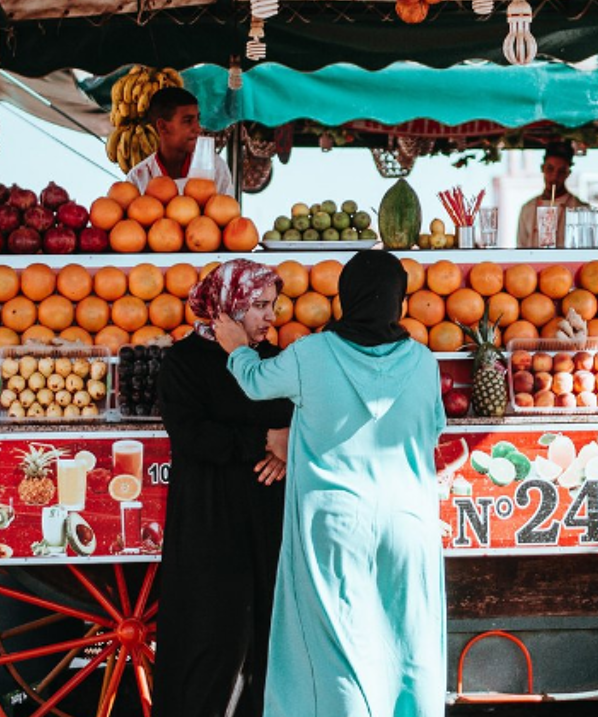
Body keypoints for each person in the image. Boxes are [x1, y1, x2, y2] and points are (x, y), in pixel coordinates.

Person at [215, 249, 446, 717]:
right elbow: (433, 428)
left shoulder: (312, 354)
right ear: (399, 302)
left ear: (345, 298)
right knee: (408, 638)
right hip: (410, 523)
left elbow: (256, 382)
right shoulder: (424, 362)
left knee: (339, 645)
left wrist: (236, 349)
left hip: (335, 524)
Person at [156, 259, 292, 717]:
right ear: (227, 306)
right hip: (209, 519)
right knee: (208, 637)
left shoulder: (274, 361)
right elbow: (192, 435)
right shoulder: (183, 362)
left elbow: (297, 419)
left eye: (272, 305)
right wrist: (265, 440)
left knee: (268, 637)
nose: (270, 316)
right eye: (258, 305)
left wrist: (287, 445)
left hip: (267, 517)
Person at [127, 86, 236, 196]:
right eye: (188, 121)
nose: (198, 129)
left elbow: (228, 205)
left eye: (198, 119)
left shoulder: (215, 168)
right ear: (162, 127)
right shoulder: (138, 178)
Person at [513, 141, 587, 248]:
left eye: (561, 171)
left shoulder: (580, 209)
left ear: (568, 173)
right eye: (550, 169)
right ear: (542, 168)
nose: (554, 176)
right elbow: (520, 247)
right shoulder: (527, 208)